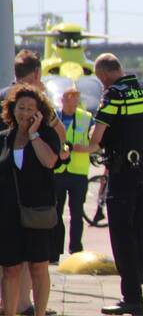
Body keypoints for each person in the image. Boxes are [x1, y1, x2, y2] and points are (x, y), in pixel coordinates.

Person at [86, 54, 143, 316]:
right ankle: (135, 291)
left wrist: (74, 148)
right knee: (139, 231)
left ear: (103, 75)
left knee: (121, 233)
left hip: (123, 172)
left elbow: (95, 141)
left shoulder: (113, 95)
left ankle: (132, 298)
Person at [0, 84, 61, 316]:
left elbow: (50, 162)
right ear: (11, 109)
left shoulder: (47, 135)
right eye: (20, 107)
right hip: (8, 213)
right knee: (10, 268)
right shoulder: (4, 137)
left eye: (30, 109)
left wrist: (35, 135)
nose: (24, 113)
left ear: (39, 113)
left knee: (38, 267)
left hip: (37, 212)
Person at [53, 83, 93, 260]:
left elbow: (94, 143)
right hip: (58, 170)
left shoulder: (86, 118)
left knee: (77, 213)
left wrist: (82, 148)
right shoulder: (53, 117)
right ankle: (54, 250)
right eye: (70, 98)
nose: (73, 102)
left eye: (76, 98)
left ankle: (75, 250)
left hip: (78, 172)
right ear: (62, 100)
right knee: (55, 212)